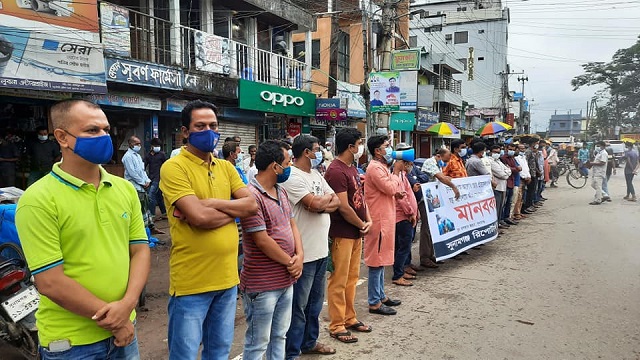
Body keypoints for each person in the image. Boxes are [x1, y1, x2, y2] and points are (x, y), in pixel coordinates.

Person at [15, 99, 150, 359]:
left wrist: (128, 305)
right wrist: (117, 320)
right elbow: (51, 282)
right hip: (71, 344)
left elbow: (140, 250)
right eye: (92, 130)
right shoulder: (38, 200)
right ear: (62, 137)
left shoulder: (123, 189)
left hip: (125, 334)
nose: (103, 136)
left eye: (106, 130)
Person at [160, 100, 258, 360]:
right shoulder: (174, 167)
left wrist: (214, 204)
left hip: (227, 280)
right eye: (200, 126)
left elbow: (251, 206)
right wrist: (233, 211)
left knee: (218, 352)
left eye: (213, 126)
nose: (209, 132)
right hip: (192, 283)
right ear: (185, 131)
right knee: (185, 355)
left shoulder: (226, 167)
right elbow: (200, 217)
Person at [240, 140, 303, 360]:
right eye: (287, 162)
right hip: (263, 285)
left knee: (279, 336)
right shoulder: (251, 196)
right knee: (258, 343)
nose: (290, 167)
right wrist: (290, 262)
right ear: (275, 166)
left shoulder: (280, 191)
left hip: (286, 280)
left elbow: (292, 224)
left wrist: (300, 257)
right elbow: (262, 240)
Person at [282, 135, 340, 359]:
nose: (321, 154)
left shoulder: (316, 174)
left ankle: (309, 342)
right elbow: (314, 203)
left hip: (320, 252)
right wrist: (322, 203)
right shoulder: (292, 176)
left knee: (314, 305)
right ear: (306, 152)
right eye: (318, 150)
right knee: (299, 307)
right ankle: (292, 351)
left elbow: (335, 201)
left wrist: (321, 204)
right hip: (303, 253)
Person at [324, 128, 372, 344]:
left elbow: (360, 198)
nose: (360, 147)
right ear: (350, 147)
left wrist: (367, 220)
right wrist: (362, 223)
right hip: (342, 232)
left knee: (352, 278)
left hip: (356, 232)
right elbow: (343, 206)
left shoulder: (352, 168)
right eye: (359, 143)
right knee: (339, 280)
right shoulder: (335, 171)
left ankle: (349, 317)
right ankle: (336, 325)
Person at [364, 135, 403, 316]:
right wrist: (396, 173)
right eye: (387, 146)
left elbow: (392, 190)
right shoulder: (374, 168)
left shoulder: (382, 167)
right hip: (378, 220)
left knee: (382, 260)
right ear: (377, 151)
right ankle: (374, 302)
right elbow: (390, 188)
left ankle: (381, 296)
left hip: (385, 218)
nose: (390, 149)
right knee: (376, 261)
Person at [418, 148, 461, 268]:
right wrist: (453, 187)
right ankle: (425, 257)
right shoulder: (430, 163)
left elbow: (442, 178)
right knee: (427, 228)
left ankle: (432, 254)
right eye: (447, 157)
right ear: (439, 156)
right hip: (425, 200)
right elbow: (441, 178)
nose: (448, 161)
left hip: (434, 200)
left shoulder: (439, 165)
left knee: (434, 228)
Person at [123, 136, 163, 235]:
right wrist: (142, 182)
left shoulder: (137, 156)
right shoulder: (127, 157)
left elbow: (142, 170)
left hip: (143, 185)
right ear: (131, 144)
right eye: (136, 143)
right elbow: (132, 173)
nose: (139, 145)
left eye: (139, 143)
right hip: (135, 186)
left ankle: (150, 228)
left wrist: (147, 180)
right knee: (140, 209)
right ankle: (142, 231)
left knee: (146, 208)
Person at [391, 144, 418, 287]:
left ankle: (401, 271)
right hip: (402, 217)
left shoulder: (402, 175)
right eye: (408, 164)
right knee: (403, 247)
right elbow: (402, 198)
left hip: (405, 216)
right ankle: (398, 275)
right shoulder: (396, 176)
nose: (409, 167)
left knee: (403, 246)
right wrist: (410, 213)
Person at [144, 138, 167, 220]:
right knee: (159, 196)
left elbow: (166, 165)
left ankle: (152, 215)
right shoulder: (148, 155)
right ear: (152, 146)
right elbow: (144, 166)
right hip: (151, 178)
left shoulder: (162, 154)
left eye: (158, 146)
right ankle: (164, 213)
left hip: (159, 177)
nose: (158, 147)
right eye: (156, 146)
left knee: (151, 195)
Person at [489, 145, 512, 229]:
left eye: (498, 152)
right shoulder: (491, 162)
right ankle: (495, 227)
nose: (497, 154)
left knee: (500, 207)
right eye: (495, 152)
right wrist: (507, 172)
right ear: (490, 152)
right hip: (497, 188)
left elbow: (508, 170)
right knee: (496, 208)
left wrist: (507, 172)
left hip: (502, 187)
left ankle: (498, 225)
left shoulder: (499, 161)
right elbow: (503, 175)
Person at [501, 143, 521, 225]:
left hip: (512, 181)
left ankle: (507, 217)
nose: (511, 151)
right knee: (504, 202)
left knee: (509, 201)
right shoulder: (503, 158)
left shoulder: (512, 158)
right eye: (510, 149)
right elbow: (507, 169)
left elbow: (513, 168)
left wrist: (514, 169)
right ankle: (502, 218)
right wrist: (516, 169)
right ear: (506, 149)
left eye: (513, 150)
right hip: (506, 182)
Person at [513, 143, 531, 221]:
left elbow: (526, 168)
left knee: (521, 197)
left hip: (526, 178)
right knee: (518, 196)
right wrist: (524, 177)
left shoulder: (524, 157)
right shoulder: (516, 158)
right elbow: (519, 169)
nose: (522, 150)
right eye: (520, 148)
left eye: (523, 148)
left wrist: (528, 176)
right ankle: (516, 213)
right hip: (520, 178)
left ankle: (519, 212)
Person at [587, 140, 609, 205]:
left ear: (602, 146)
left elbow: (603, 162)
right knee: (593, 184)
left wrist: (592, 163)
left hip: (600, 172)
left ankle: (598, 200)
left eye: (598, 145)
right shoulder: (599, 153)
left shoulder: (604, 153)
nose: (598, 147)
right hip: (596, 171)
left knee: (598, 186)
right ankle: (604, 194)